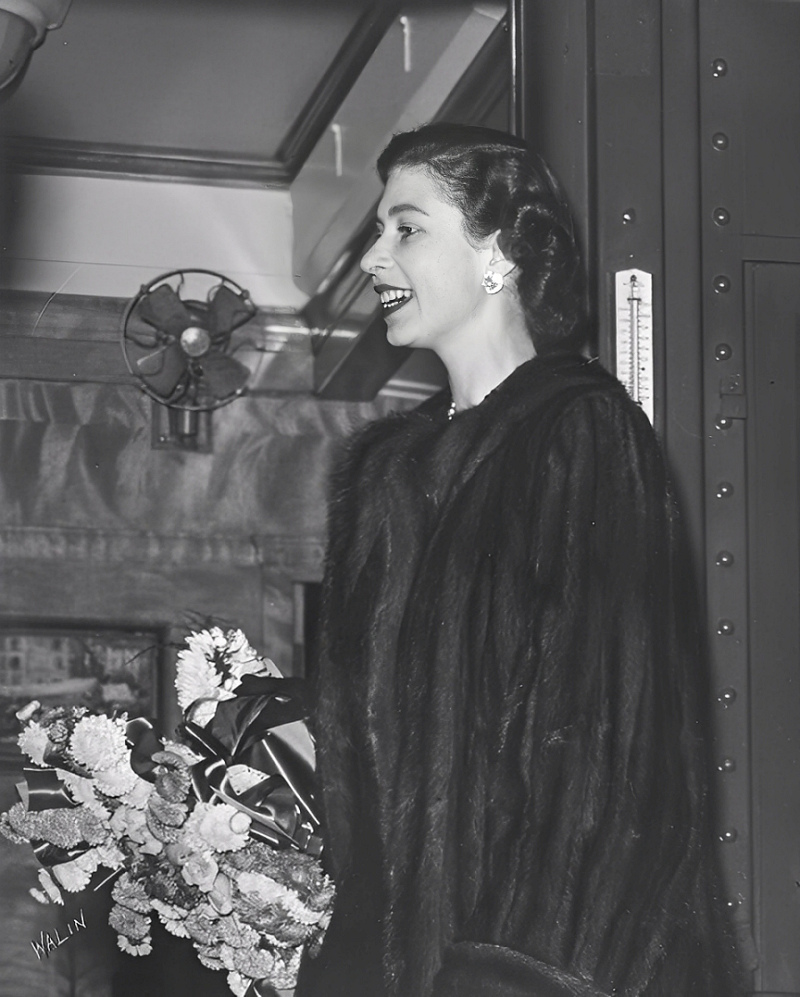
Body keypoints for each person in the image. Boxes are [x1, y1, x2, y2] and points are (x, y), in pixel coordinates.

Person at [295, 123, 745, 997]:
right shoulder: (384, 478)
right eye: (379, 230)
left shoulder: (579, 433)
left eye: (408, 227)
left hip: (539, 966)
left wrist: (508, 975)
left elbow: (609, 749)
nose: (373, 257)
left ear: (499, 249)